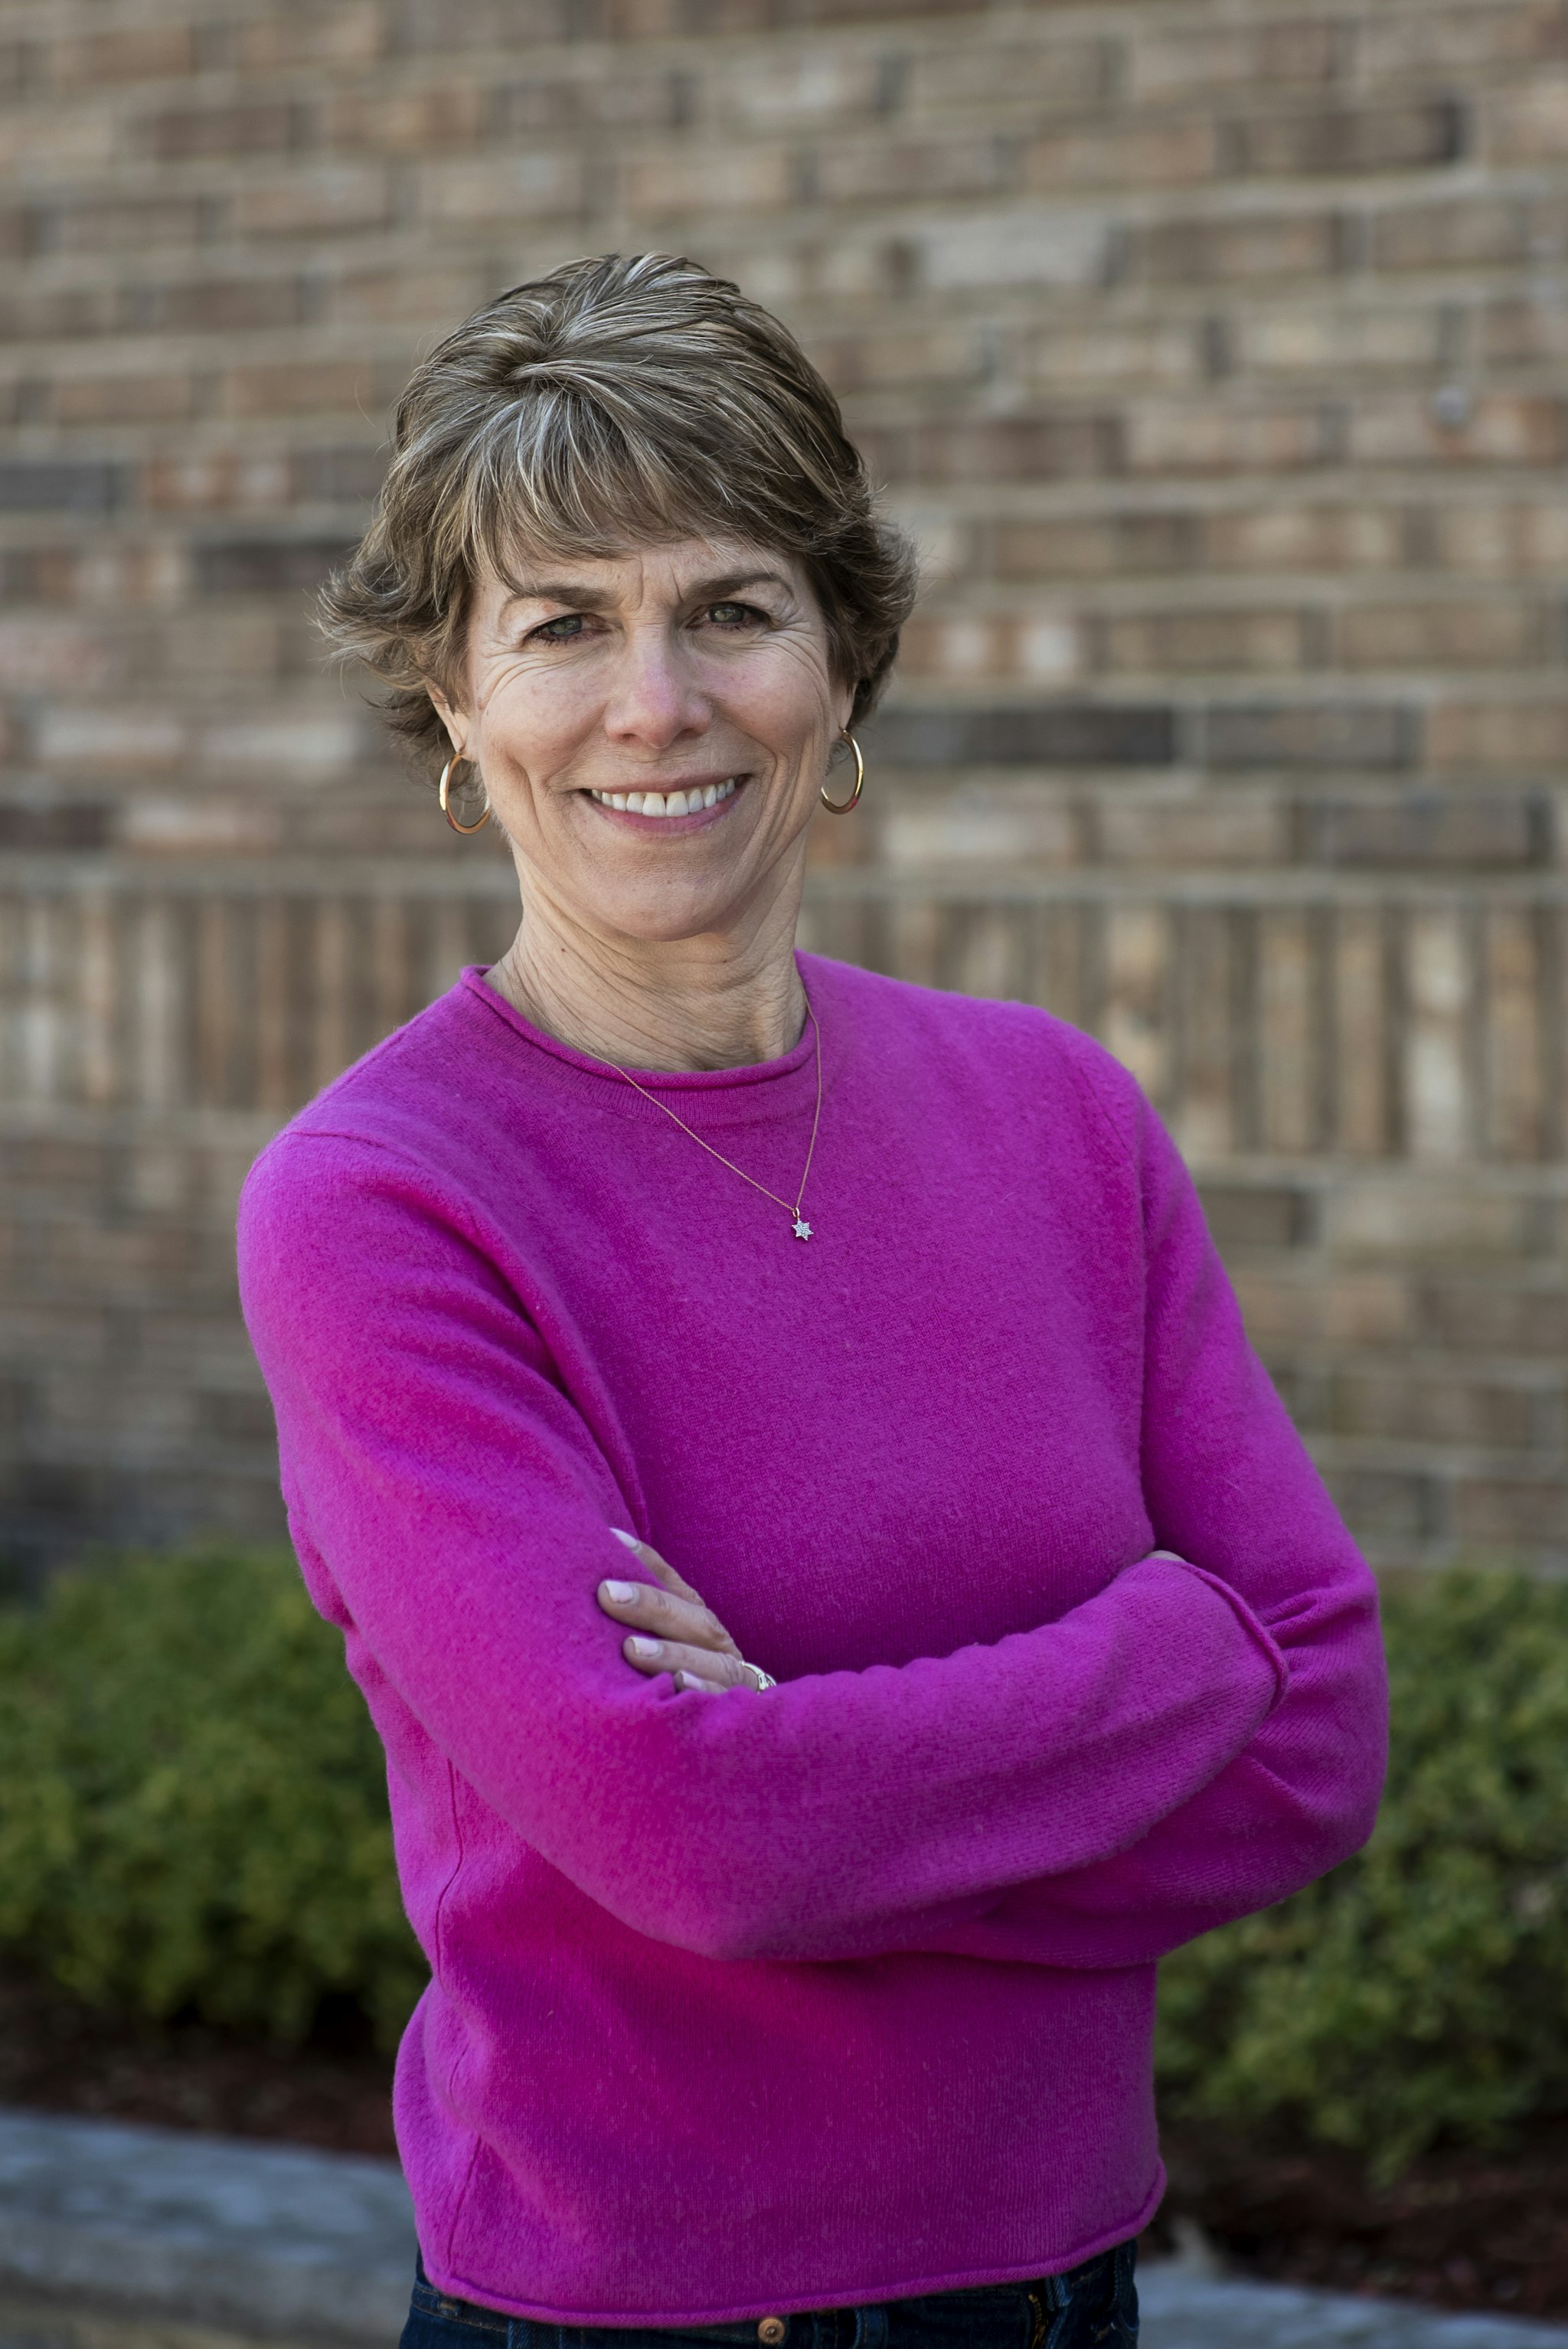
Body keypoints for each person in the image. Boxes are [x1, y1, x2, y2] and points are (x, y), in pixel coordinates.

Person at [237, 253, 1387, 2349]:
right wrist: (1164, 1654)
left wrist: (823, 1786)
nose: (656, 701)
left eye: (731, 609)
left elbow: (1318, 1725)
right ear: (454, 705)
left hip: (1064, 2287)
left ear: (840, 663)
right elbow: (696, 1835)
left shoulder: (1055, 1112)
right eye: (563, 625)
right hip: (644, 2315)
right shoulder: (383, 1203)